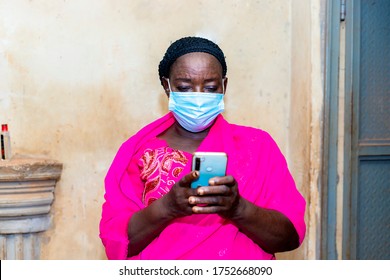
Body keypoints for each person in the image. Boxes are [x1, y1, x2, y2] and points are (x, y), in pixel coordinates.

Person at [99, 36, 306, 260]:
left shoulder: (257, 146)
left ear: (224, 86)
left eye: (210, 87)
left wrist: (238, 209)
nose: (198, 96)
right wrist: (167, 207)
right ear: (166, 85)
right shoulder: (141, 152)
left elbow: (289, 237)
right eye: (185, 87)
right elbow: (117, 242)